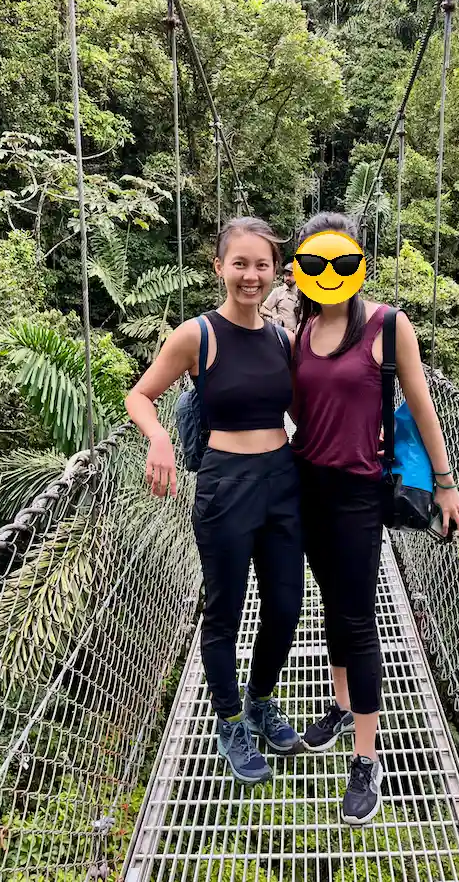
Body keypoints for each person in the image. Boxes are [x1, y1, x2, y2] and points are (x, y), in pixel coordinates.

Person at [290, 211, 459, 825]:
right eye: (313, 261)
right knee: (332, 603)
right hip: (304, 488)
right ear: (302, 267)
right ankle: (341, 706)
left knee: (358, 621)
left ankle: (367, 759)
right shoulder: (298, 331)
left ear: (357, 263)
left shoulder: (389, 327)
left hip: (361, 494)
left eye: (338, 260)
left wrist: (446, 485)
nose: (326, 272)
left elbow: (421, 404)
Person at [125, 216, 304, 786]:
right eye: (240, 263)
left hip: (283, 477)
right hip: (225, 484)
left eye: (263, 265)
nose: (251, 275)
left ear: (276, 272)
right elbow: (141, 394)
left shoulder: (282, 337)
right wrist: (158, 439)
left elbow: (304, 410)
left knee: (285, 605)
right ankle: (229, 721)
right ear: (219, 267)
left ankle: (258, 702)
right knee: (225, 608)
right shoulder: (196, 335)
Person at [260, 260, 298, 331]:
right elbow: (262, 309)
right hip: (284, 334)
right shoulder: (278, 292)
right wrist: (274, 316)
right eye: (285, 275)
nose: (287, 278)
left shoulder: (300, 293)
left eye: (290, 274)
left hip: (299, 335)